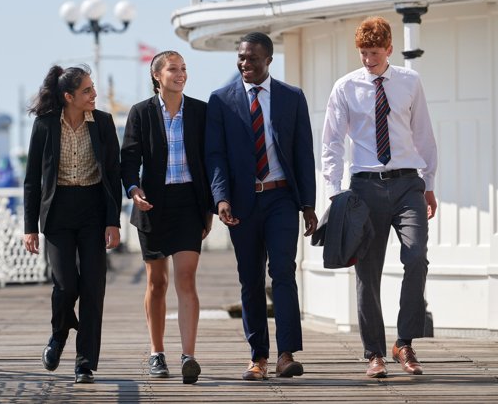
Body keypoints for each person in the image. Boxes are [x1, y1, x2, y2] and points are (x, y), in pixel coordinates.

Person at [321, 16, 437, 378]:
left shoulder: (409, 82)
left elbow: (424, 135)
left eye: (374, 52)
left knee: (416, 257)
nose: (368, 59)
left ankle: (404, 342)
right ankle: (374, 352)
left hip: (407, 185)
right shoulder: (345, 87)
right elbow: (332, 142)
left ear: (389, 48)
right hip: (364, 188)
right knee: (366, 272)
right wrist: (334, 192)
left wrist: (429, 183)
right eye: (363, 53)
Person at [205, 32, 317, 380]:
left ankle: (286, 354)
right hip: (242, 202)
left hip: (281, 197)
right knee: (250, 279)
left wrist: (308, 204)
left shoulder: (291, 97)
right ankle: (258, 358)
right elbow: (216, 156)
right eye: (240, 58)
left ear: (268, 59)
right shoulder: (221, 100)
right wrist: (220, 198)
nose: (244, 64)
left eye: (252, 58)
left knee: (283, 272)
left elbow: (303, 153)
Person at [23, 64, 122, 384]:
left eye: (93, 88)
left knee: (93, 287)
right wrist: (29, 227)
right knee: (66, 284)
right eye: (87, 91)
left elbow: (113, 174)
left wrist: (113, 221)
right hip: (58, 213)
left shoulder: (104, 123)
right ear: (69, 97)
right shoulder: (45, 125)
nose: (95, 95)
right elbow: (31, 180)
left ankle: (84, 363)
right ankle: (58, 335)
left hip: (93, 211)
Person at [121, 50, 213, 385]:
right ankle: (156, 352)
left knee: (186, 278)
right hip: (152, 205)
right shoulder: (141, 113)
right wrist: (134, 190)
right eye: (173, 69)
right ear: (157, 75)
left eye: (184, 69)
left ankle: (189, 356)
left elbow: (209, 160)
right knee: (157, 283)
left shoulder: (201, 112)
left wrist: (210, 207)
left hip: (189, 203)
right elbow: (129, 158)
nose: (181, 74)